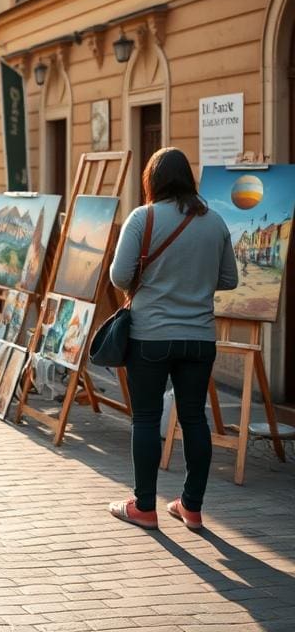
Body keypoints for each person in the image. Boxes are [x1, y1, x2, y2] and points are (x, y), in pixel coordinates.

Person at [108, 147, 238, 531]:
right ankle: (192, 507)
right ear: (188, 179)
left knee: (146, 418)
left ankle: (144, 506)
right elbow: (230, 279)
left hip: (150, 335)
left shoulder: (142, 218)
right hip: (199, 338)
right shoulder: (214, 222)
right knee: (195, 418)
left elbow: (118, 276)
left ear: (152, 180)